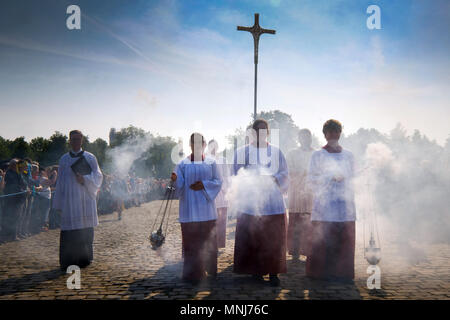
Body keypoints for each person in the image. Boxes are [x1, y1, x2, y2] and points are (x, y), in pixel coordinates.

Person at [232, 119, 289, 286]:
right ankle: (255, 271)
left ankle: (273, 272)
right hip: (251, 202)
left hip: (272, 201)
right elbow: (236, 173)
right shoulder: (242, 152)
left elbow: (285, 173)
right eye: (257, 130)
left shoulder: (276, 151)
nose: (261, 133)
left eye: (264, 130)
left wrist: (273, 178)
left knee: (273, 238)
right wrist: (249, 181)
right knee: (253, 236)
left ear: (268, 132)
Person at [306, 119, 356, 283]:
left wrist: (347, 178)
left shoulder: (349, 155)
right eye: (330, 132)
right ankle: (321, 272)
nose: (333, 135)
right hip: (325, 206)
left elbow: (355, 178)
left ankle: (342, 272)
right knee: (324, 240)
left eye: (336, 131)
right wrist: (330, 177)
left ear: (340, 133)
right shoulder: (317, 155)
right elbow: (311, 179)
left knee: (342, 240)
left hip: (344, 205)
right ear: (325, 134)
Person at [171, 133, 222, 284]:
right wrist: (175, 180)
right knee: (192, 242)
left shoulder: (212, 162)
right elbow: (178, 185)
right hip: (189, 208)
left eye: (200, 143)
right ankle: (193, 273)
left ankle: (210, 269)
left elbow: (218, 181)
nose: (198, 146)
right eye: (194, 144)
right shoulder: (182, 163)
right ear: (190, 145)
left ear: (205, 145)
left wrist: (204, 185)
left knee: (209, 240)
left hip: (206, 208)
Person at [52, 130, 103, 271]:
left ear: (82, 141)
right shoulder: (64, 159)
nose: (75, 142)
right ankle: (68, 260)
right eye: (73, 139)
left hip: (85, 198)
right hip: (69, 200)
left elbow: (98, 176)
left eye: (78, 139)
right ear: (69, 141)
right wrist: (59, 203)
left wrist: (85, 179)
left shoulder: (90, 157)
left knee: (85, 230)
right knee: (69, 231)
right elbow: (60, 182)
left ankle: (84, 258)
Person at [286, 129, 315, 260]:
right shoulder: (292, 153)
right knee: (295, 222)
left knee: (309, 223)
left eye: (307, 137)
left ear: (311, 138)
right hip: (296, 191)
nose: (305, 139)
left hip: (311, 192)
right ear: (299, 138)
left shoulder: (316, 153)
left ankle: (309, 251)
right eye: (302, 137)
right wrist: (301, 173)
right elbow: (288, 171)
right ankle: (295, 252)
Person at [206, 139, 230, 249]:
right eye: (211, 146)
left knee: (222, 219)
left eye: (215, 146)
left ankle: (220, 243)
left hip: (222, 192)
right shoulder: (205, 159)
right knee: (211, 219)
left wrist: (226, 189)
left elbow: (227, 175)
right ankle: (210, 242)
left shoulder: (222, 160)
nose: (213, 148)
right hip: (211, 193)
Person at [1, 159, 28, 242]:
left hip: (18, 199)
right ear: (13, 165)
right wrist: (23, 190)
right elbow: (14, 187)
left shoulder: (18, 173)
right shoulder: (9, 174)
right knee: (9, 218)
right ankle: (7, 236)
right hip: (11, 200)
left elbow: (24, 183)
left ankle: (13, 235)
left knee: (16, 218)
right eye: (17, 164)